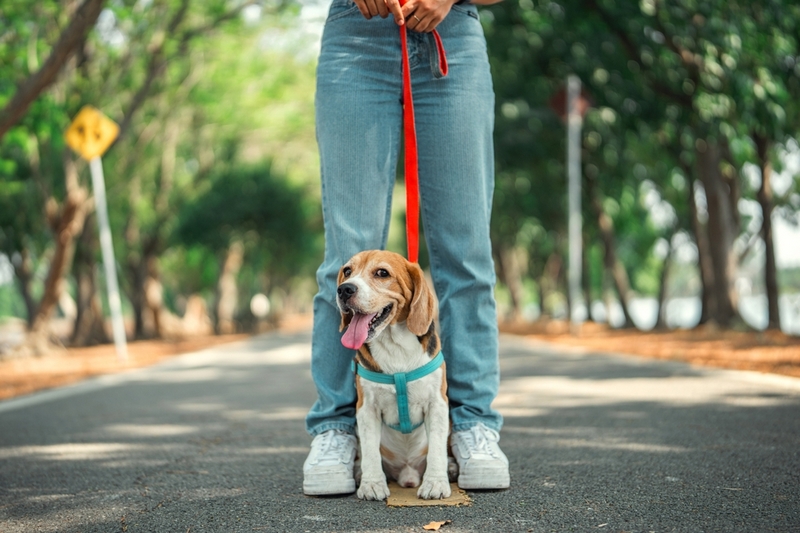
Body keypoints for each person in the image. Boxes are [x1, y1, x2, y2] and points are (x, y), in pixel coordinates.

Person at [303, 0, 509, 496]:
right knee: (347, 259)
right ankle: (336, 429)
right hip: (356, 34)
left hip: (451, 35)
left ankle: (473, 424)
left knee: (467, 258)